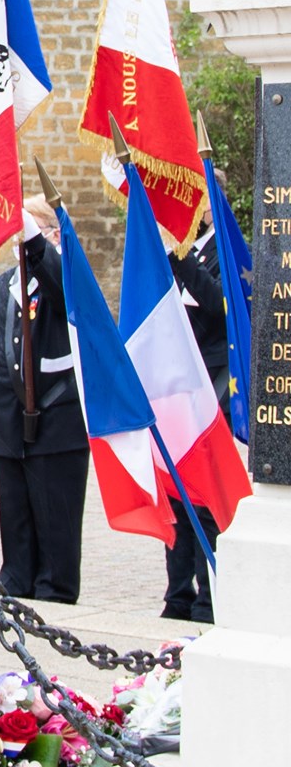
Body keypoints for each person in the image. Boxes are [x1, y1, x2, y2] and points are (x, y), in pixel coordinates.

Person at [0, 198, 87, 605]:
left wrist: (39, 244)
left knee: (54, 510)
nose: (20, 239)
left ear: (52, 235)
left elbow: (61, 286)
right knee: (14, 507)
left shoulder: (67, 274)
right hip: (8, 418)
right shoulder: (5, 285)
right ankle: (17, 576)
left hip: (56, 416)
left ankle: (53, 587)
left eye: (30, 231)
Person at [166, 223, 230, 622]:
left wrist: (183, 256)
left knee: (203, 500)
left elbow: (219, 302)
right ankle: (177, 595)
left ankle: (207, 598)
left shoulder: (225, 250)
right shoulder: (170, 256)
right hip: (173, 388)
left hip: (208, 390)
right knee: (175, 493)